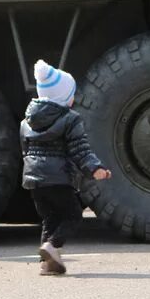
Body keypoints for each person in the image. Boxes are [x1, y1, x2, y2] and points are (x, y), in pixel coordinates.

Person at [21, 60, 110, 276]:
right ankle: (52, 247)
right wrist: (95, 169)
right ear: (63, 97)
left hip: (34, 179)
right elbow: (80, 149)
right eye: (71, 94)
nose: (73, 98)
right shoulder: (70, 119)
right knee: (72, 215)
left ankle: (47, 263)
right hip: (59, 178)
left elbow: (24, 150)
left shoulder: (26, 121)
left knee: (50, 218)